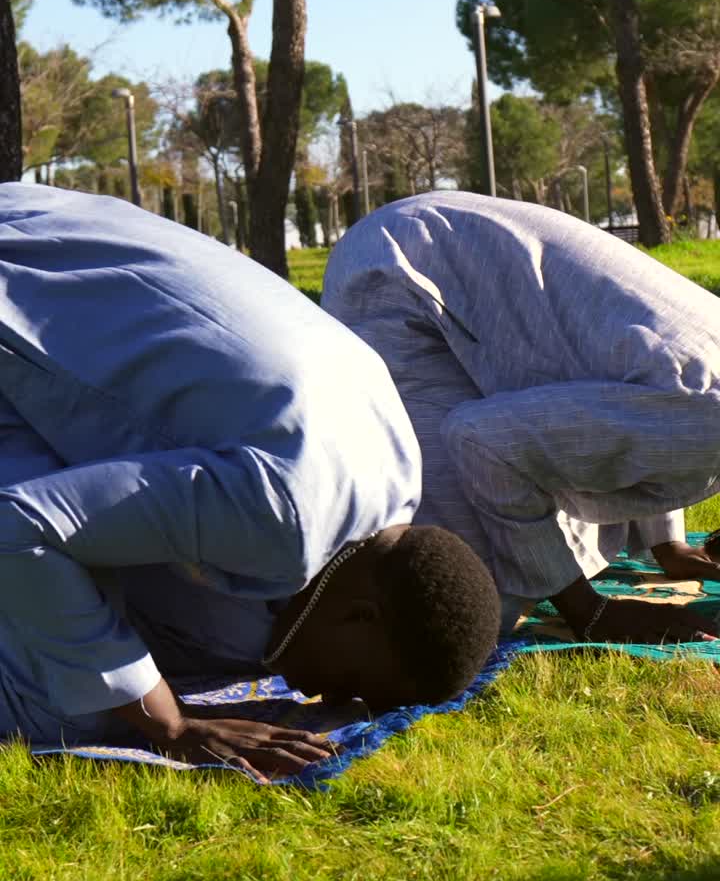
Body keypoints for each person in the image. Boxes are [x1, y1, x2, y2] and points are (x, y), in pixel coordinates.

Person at [0, 183, 500, 782]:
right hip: (18, 304)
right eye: (346, 684)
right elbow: (20, 522)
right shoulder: (284, 517)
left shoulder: (394, 474)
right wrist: (171, 725)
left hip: (40, 232)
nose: (310, 694)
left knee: (166, 645)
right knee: (64, 708)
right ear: (363, 617)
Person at [322, 191, 720, 645]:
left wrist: (669, 545)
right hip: (393, 268)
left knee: (531, 532)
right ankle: (299, 621)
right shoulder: (706, 418)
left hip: (443, 242)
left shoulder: (705, 408)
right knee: (474, 596)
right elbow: (480, 441)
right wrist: (587, 613)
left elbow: (647, 406)